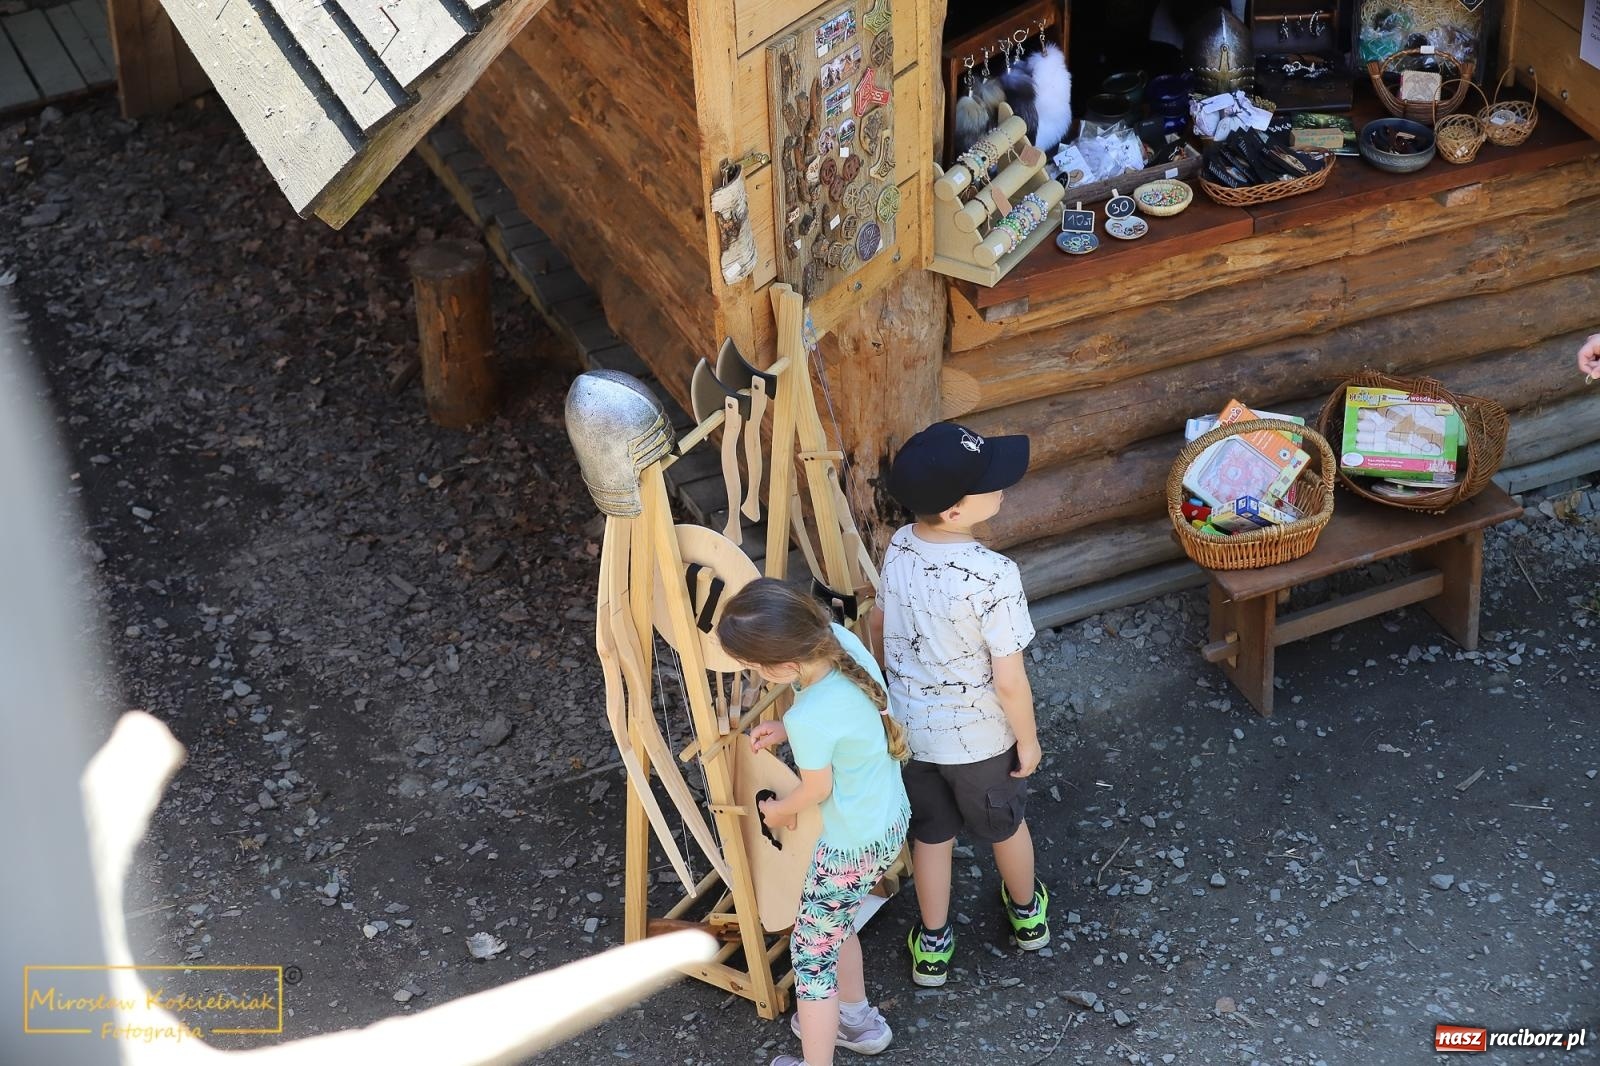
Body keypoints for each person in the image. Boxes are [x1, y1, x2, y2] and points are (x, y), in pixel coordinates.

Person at [873, 422, 1049, 988]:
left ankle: (932, 944)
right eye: (989, 484)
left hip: (912, 734)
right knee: (1004, 826)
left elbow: (879, 620)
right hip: (978, 740)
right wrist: (1028, 739)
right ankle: (1027, 917)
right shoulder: (995, 576)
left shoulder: (900, 543)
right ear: (953, 511)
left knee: (932, 835)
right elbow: (1009, 681)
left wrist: (889, 683)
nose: (1002, 487)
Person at [717, 579, 911, 1066]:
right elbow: (847, 724)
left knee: (811, 960)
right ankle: (857, 1019)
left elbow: (815, 791)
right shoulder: (840, 644)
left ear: (784, 667)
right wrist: (788, 729)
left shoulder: (812, 718)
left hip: (850, 847)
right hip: (887, 821)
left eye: (752, 668)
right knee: (833, 920)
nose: (752, 675)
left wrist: (779, 811)